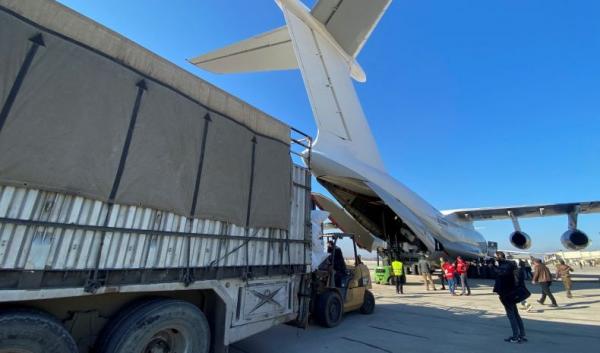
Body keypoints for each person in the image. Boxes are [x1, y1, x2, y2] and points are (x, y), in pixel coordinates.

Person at [493, 251, 527, 343]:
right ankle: (522, 335)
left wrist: (493, 265)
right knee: (516, 315)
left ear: (499, 257)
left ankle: (515, 336)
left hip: (507, 294)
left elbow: (501, 274)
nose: (494, 258)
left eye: (496, 257)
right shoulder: (510, 265)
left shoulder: (505, 267)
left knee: (511, 316)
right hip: (512, 293)